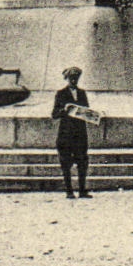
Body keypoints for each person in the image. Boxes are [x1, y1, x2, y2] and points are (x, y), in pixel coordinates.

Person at [52, 67, 92, 199]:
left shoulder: (82, 93)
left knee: (82, 162)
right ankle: (69, 191)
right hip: (66, 133)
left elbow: (86, 109)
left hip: (80, 133)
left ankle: (82, 190)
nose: (74, 80)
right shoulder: (61, 93)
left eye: (76, 78)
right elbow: (54, 114)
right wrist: (65, 110)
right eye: (72, 78)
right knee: (66, 163)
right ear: (67, 79)